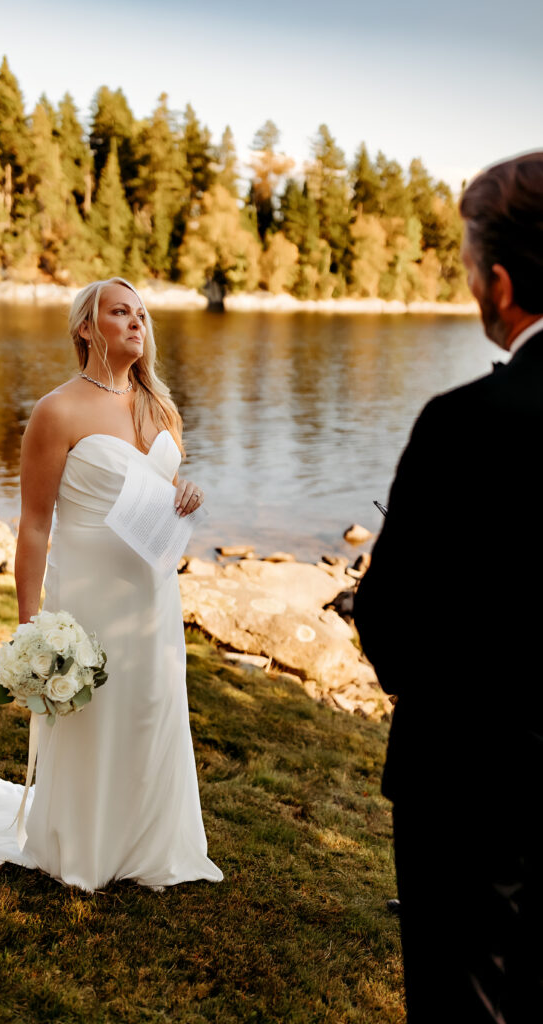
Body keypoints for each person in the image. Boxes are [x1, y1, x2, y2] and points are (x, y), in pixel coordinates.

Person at [0, 277, 223, 892]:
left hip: (153, 597)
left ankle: (148, 841)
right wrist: (30, 630)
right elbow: (32, 525)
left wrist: (188, 494)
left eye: (141, 314)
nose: (137, 323)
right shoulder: (58, 410)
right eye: (119, 312)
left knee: (151, 708)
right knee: (96, 714)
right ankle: (84, 841)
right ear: (86, 327)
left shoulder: (160, 407)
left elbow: (164, 493)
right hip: (88, 597)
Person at [354, 152, 543, 1022]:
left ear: (498, 284)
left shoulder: (462, 425)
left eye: (469, 267)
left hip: (470, 790)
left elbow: (388, 619)